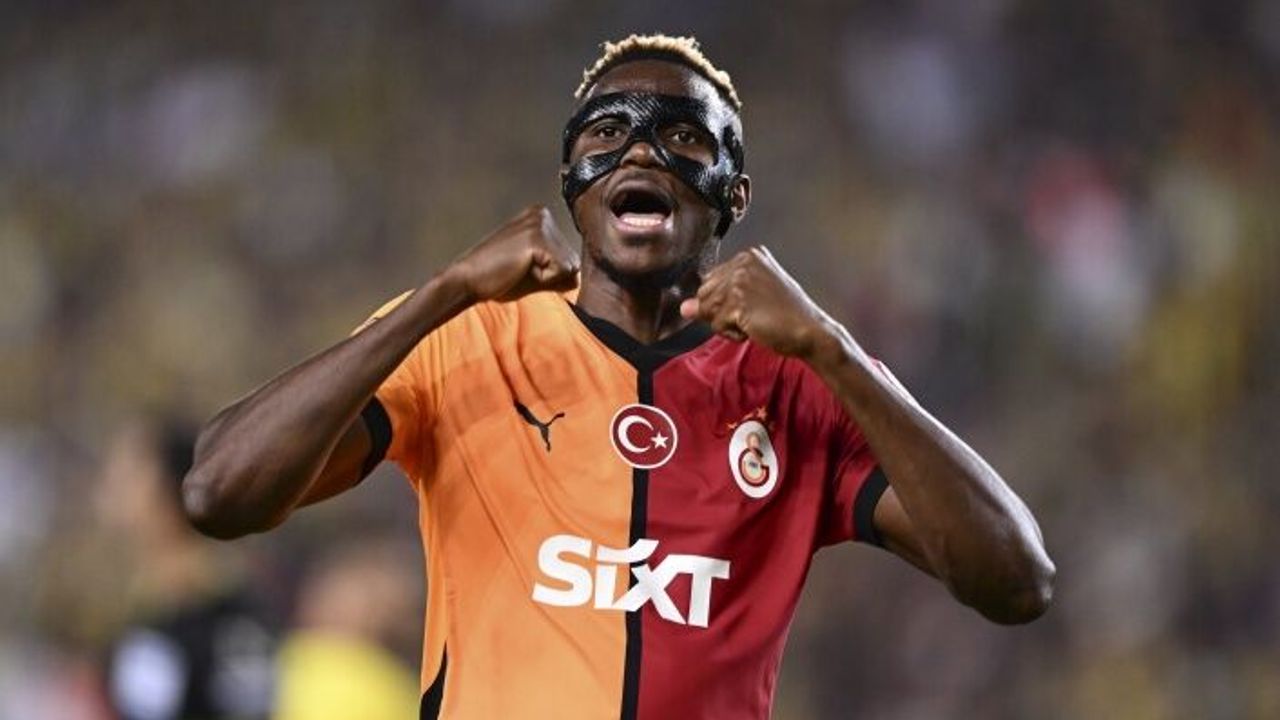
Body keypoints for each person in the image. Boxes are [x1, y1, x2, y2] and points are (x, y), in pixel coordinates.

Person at [183, 34, 1055, 719]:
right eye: (608, 132)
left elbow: (1018, 581)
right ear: (573, 179)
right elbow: (219, 493)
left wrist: (832, 348)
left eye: (683, 136)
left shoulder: (795, 380)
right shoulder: (467, 335)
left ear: (734, 195)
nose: (641, 153)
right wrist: (441, 293)